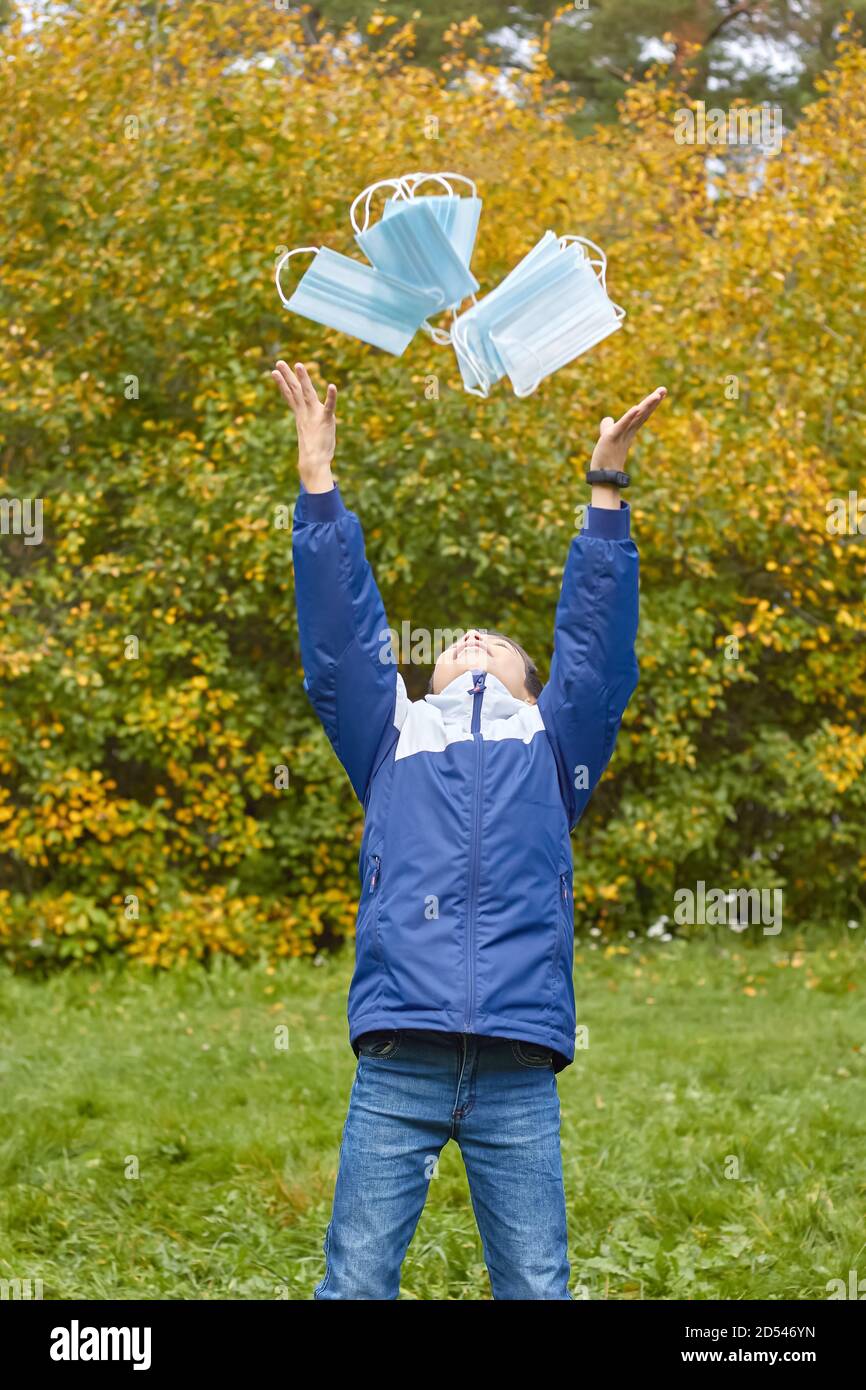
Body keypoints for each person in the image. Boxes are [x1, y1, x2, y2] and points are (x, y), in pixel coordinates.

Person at [271, 359, 666, 1300]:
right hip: (399, 1056)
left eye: (495, 643)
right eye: (456, 644)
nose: (472, 643)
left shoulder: (555, 741)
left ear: (530, 683)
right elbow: (338, 640)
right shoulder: (390, 734)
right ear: (427, 675)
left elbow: (599, 650)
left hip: (519, 1065)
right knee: (356, 1280)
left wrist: (605, 490)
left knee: (536, 1283)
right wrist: (317, 484)